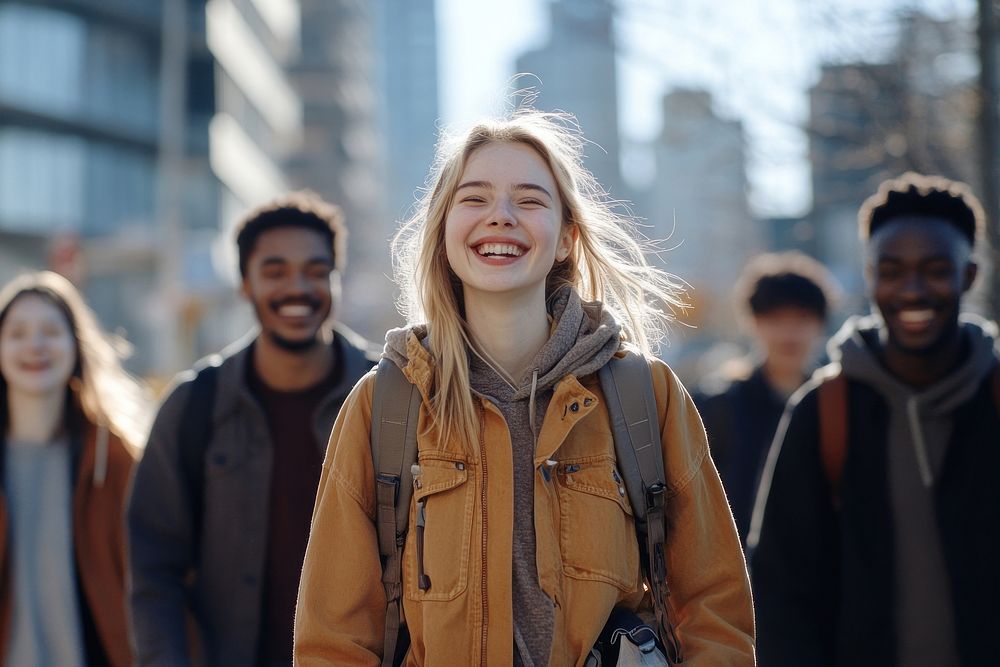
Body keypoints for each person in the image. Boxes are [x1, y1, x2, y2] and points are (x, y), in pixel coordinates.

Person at [294, 109, 755, 665]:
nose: (501, 217)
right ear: (443, 233)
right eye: (474, 198)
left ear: (565, 239)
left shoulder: (644, 397)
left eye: (531, 200)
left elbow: (714, 611)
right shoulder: (384, 407)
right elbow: (333, 642)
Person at [749, 172, 1000, 666]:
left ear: (968, 275)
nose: (912, 290)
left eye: (934, 269)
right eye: (891, 270)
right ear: (869, 276)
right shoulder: (823, 412)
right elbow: (779, 595)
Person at [127, 192, 377, 666]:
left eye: (316, 271)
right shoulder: (193, 405)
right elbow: (153, 566)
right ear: (245, 284)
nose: (297, 288)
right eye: (275, 271)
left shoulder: (389, 397)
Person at [0, 270, 149, 666]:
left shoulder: (114, 459)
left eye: (51, 331)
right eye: (16, 333)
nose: (35, 344)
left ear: (76, 346)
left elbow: (156, 581)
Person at [694, 251, 835, 545]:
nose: (789, 333)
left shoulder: (837, 401)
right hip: (740, 573)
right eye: (775, 319)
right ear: (754, 322)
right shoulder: (719, 405)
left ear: (820, 323)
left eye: (801, 318)